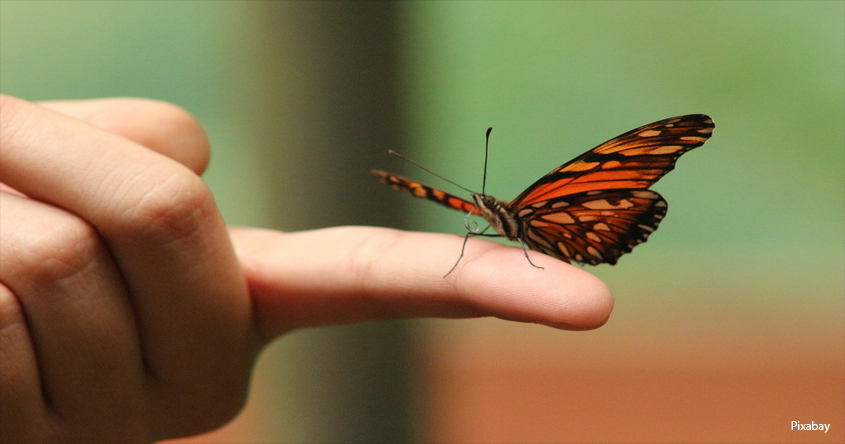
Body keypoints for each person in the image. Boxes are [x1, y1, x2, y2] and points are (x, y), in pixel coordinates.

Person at [0, 94, 613, 443]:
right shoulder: (479, 214)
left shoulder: (541, 204)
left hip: (579, 228)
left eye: (480, 207)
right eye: (474, 208)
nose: (478, 209)